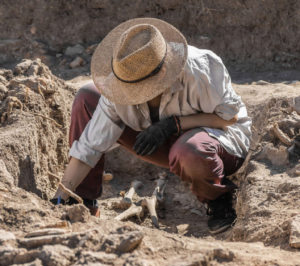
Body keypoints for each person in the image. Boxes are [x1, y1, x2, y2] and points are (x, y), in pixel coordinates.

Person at [50, 18, 252, 234]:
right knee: (88, 96)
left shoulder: (201, 68)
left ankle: (218, 198)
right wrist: (63, 194)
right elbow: (89, 145)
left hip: (219, 142)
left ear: (162, 75)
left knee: (189, 150)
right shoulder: (122, 78)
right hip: (164, 143)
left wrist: (174, 124)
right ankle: (82, 202)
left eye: (138, 90)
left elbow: (229, 117)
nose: (128, 95)